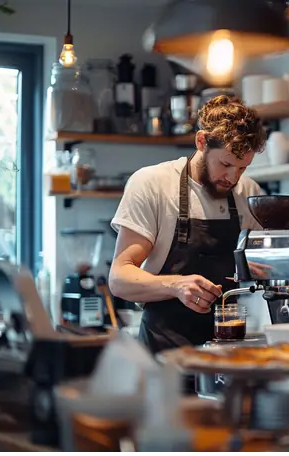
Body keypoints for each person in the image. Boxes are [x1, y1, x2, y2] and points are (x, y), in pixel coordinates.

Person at [108, 95, 267, 354]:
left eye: (242, 168)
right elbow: (119, 278)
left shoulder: (247, 191)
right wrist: (176, 285)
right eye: (225, 164)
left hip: (227, 352)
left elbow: (263, 267)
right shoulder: (152, 184)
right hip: (165, 353)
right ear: (202, 141)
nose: (233, 178)